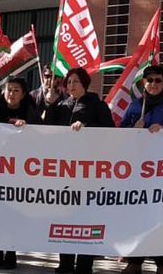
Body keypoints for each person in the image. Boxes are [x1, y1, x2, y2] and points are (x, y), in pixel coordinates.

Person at [118, 65, 163, 274]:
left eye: (158, 80)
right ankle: (135, 260)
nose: (154, 84)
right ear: (143, 83)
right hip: (138, 171)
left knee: (162, 215)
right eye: (150, 80)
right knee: (137, 215)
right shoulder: (134, 106)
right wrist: (134, 131)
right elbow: (119, 136)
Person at [45, 67, 112, 274]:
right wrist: (48, 105)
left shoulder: (97, 105)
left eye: (75, 82)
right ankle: (65, 262)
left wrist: (86, 125)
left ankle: (84, 264)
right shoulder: (60, 105)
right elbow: (46, 128)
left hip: (88, 171)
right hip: (64, 171)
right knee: (65, 217)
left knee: (86, 218)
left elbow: (110, 129)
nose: (71, 86)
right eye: (68, 82)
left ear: (85, 84)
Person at [0, 77, 42, 269]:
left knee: (13, 214)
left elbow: (41, 135)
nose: (11, 94)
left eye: (16, 90)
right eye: (8, 90)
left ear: (23, 94)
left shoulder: (30, 112)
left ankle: (11, 253)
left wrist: (28, 127)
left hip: (20, 173)